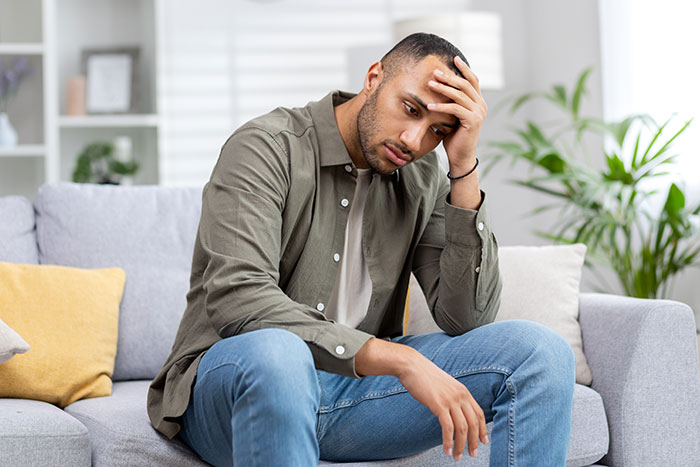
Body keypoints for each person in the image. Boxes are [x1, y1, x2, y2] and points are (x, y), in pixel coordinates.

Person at [147, 32, 576, 466]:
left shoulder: (423, 174)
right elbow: (239, 296)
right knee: (279, 354)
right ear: (374, 77)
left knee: (540, 353)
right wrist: (399, 359)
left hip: (350, 392)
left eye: (437, 131)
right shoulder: (267, 146)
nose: (414, 139)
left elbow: (467, 318)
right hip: (237, 388)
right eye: (410, 109)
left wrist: (463, 167)